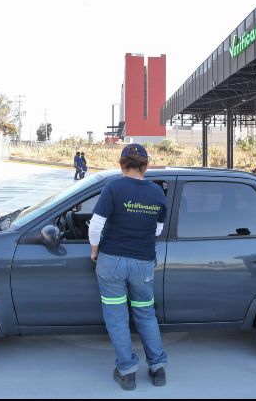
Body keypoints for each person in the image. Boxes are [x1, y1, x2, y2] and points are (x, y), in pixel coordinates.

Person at [88, 144, 168, 391]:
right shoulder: (157, 193)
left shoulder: (113, 187)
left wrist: (94, 251)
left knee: (117, 317)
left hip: (112, 261)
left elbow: (95, 226)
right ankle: (157, 368)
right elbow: (157, 230)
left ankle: (127, 372)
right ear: (146, 166)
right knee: (146, 314)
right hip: (143, 263)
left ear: (122, 164)